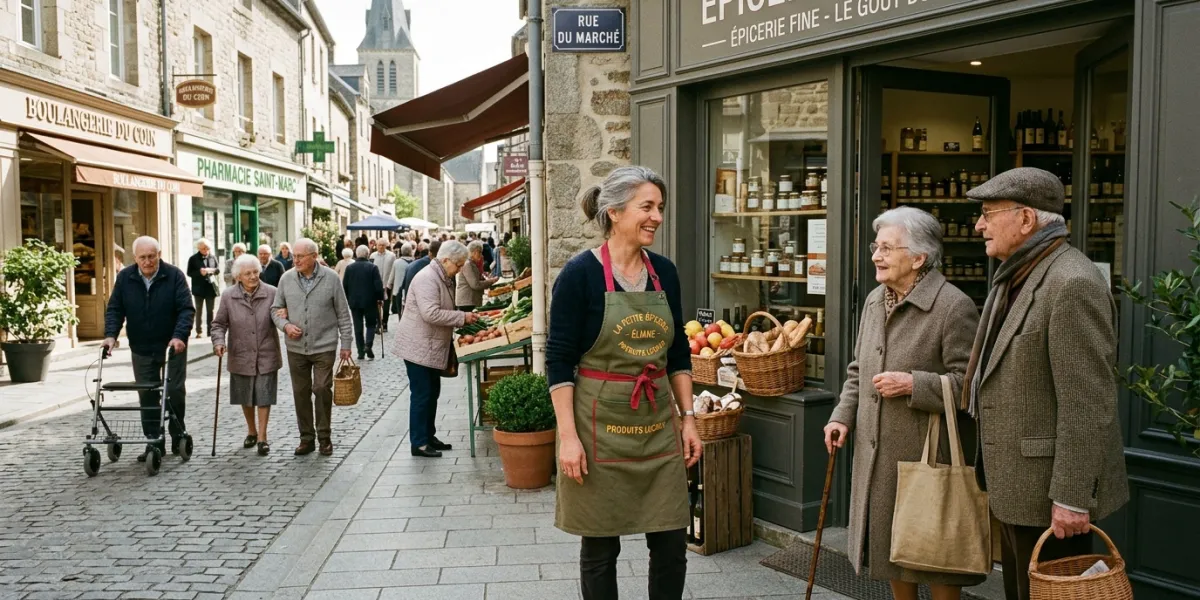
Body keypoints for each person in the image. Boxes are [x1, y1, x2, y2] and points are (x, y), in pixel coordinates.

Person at [965, 167, 1128, 600]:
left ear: (1026, 219)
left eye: (987, 213)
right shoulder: (1020, 274)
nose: (978, 225)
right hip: (1020, 485)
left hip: (1051, 495)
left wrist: (1072, 498)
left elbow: (1087, 403)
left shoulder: (1071, 282)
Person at [546, 166, 701, 600]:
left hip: (657, 427)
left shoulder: (664, 273)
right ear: (614, 212)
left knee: (671, 543)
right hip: (599, 428)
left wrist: (689, 419)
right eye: (646, 207)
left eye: (660, 208)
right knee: (599, 546)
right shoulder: (580, 275)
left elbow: (677, 355)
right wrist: (568, 438)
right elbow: (558, 361)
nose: (656, 216)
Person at [824, 207, 982, 600]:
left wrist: (915, 384)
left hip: (926, 454)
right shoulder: (877, 299)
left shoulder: (953, 306)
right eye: (876, 247)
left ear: (918, 258)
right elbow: (860, 368)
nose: (876, 255)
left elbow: (971, 386)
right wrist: (842, 416)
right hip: (877, 452)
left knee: (935, 554)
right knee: (892, 552)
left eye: (887, 248)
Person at [103, 236, 194, 461]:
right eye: (142, 257)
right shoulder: (125, 277)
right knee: (147, 395)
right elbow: (115, 309)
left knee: (173, 391)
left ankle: (176, 434)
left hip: (172, 346)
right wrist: (110, 336)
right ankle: (154, 442)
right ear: (135, 258)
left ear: (159, 255)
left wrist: (179, 336)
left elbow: (186, 309)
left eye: (151, 256)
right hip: (141, 346)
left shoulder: (174, 275)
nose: (147, 261)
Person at [271, 238, 354, 457]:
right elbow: (275, 309)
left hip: (324, 345)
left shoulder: (331, 278)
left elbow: (343, 314)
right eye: (294, 256)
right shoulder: (286, 279)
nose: (295, 260)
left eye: (300, 256)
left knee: (321, 388)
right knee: (300, 392)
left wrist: (346, 344)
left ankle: (324, 437)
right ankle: (306, 438)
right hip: (296, 347)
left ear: (314, 256)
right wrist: (286, 325)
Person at [395, 241, 477, 458]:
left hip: (430, 346)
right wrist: (462, 317)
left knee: (432, 392)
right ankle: (419, 443)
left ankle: (428, 436)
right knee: (422, 394)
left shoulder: (442, 276)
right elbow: (431, 313)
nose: (460, 269)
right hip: (418, 346)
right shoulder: (427, 278)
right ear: (446, 260)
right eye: (458, 265)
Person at [211, 254, 282, 456]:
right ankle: (251, 430)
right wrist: (218, 342)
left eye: (255, 272)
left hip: (266, 352)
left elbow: (281, 316)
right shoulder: (228, 296)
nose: (253, 276)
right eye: (248, 273)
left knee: (264, 394)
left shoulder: (272, 293)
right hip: (240, 353)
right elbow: (218, 324)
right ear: (238, 276)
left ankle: (262, 437)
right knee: (245, 395)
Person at [344, 245, 385, 360]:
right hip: (370, 302)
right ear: (367, 254)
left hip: (355, 302)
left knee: (358, 327)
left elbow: (345, 286)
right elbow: (378, 286)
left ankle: (360, 351)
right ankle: (368, 344)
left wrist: (349, 299)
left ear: (356, 254)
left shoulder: (350, 268)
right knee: (371, 324)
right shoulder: (372, 267)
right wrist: (380, 299)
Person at [186, 238, 220, 338]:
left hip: (211, 288)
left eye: (207, 248)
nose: (206, 250)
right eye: (204, 249)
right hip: (198, 288)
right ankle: (198, 331)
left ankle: (210, 331)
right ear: (199, 248)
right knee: (199, 310)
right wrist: (199, 273)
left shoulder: (213, 257)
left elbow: (217, 270)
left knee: (211, 310)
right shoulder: (193, 258)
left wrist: (212, 270)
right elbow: (189, 273)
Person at [455, 240, 498, 311]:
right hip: (467, 302)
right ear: (474, 252)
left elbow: (475, 279)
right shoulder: (468, 264)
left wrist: (483, 277)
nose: (481, 255)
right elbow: (475, 285)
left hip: (470, 301)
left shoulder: (471, 263)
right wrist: (491, 281)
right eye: (480, 252)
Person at [370, 238, 397, 332]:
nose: (381, 247)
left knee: (386, 306)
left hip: (387, 284)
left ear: (386, 245)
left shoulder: (391, 256)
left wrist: (392, 282)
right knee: (376, 305)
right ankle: (378, 323)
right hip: (376, 285)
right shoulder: (372, 256)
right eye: (379, 245)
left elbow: (394, 269)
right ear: (376, 246)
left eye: (383, 245)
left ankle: (385, 323)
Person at [391, 242, 415, 316]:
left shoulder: (396, 262)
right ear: (411, 251)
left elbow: (392, 277)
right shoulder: (415, 262)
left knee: (400, 311)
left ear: (401, 251)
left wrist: (389, 286)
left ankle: (401, 322)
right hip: (411, 290)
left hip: (398, 290)